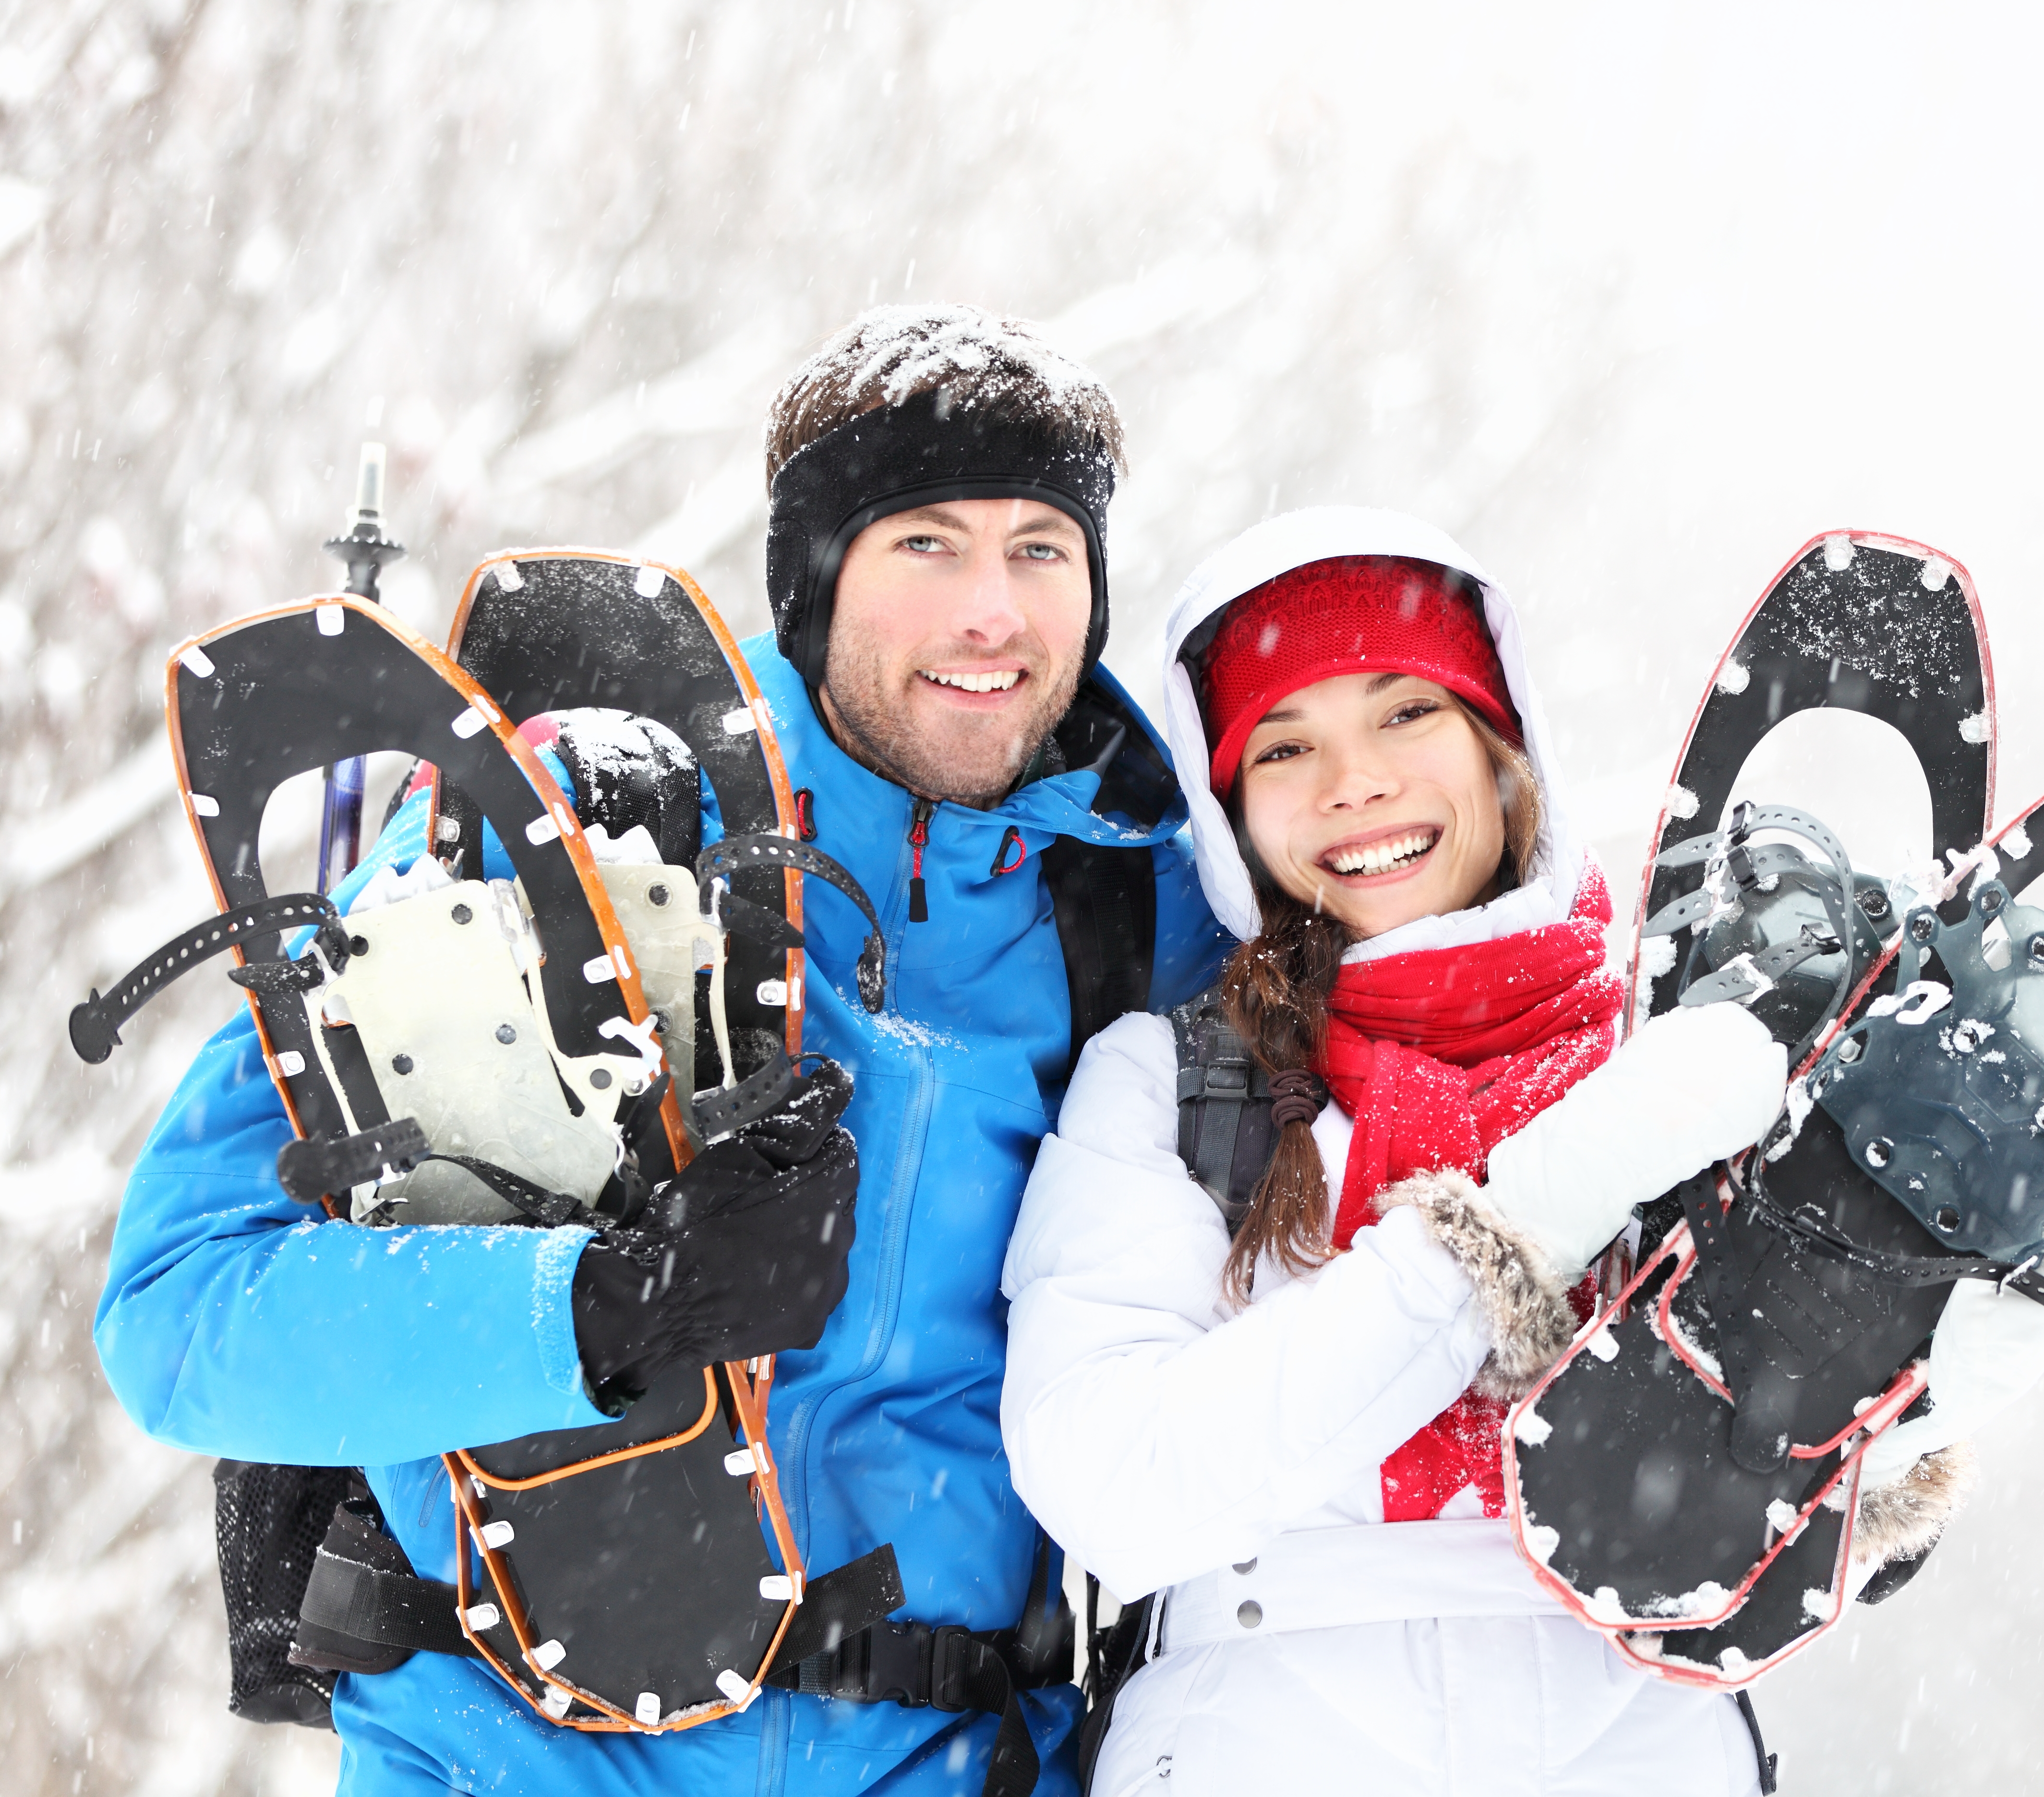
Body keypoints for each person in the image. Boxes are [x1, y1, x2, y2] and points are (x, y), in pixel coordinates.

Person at [93, 304, 1227, 1795]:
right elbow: (180, 1317)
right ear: (814, 582)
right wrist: (603, 1311)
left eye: (1041, 550)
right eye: (927, 546)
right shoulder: (561, 837)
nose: (993, 615)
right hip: (508, 1749)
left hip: (948, 1755)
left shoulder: (1146, 908)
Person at [999, 507, 2044, 1795]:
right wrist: (1520, 1222)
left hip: (1642, 1723)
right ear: (1231, 809)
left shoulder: (1687, 1048)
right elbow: (1115, 1484)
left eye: (1408, 714)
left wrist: (1912, 1410)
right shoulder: (1183, 1084)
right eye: (1285, 746)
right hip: (1263, 1721)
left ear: (1503, 745)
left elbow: (1760, 1513)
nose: (1357, 782)